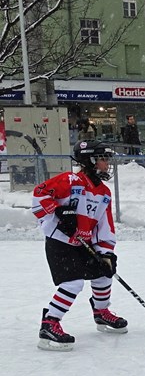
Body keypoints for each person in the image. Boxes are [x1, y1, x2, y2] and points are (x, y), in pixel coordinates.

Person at [31, 140, 127, 351]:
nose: (107, 163)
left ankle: (101, 313)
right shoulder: (70, 180)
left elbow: (104, 226)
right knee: (73, 284)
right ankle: (50, 323)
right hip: (60, 243)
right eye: (103, 159)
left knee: (104, 272)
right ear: (90, 160)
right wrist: (58, 213)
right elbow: (39, 194)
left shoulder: (103, 192)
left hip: (85, 244)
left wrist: (106, 253)